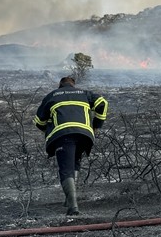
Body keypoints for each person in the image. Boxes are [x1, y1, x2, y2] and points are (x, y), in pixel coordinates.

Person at [34, 75, 108, 216]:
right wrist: (96, 126)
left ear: (59, 86)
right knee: (75, 163)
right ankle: (69, 200)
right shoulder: (85, 94)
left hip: (63, 136)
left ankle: (73, 207)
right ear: (73, 85)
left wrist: (48, 129)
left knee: (66, 169)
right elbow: (102, 103)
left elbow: (39, 121)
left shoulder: (52, 96)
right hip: (84, 135)